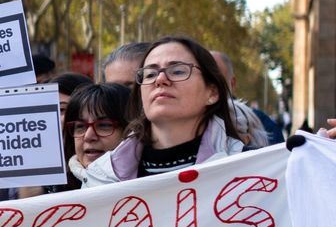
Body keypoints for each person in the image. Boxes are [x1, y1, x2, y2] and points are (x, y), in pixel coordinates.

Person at [81, 37, 243, 186]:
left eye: (177, 71)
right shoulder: (99, 177)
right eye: (150, 74)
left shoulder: (247, 170)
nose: (160, 79)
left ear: (212, 93)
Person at [64, 81, 129, 188]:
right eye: (80, 126)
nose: (88, 136)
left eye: (104, 125)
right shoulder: (58, 193)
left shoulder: (151, 184)